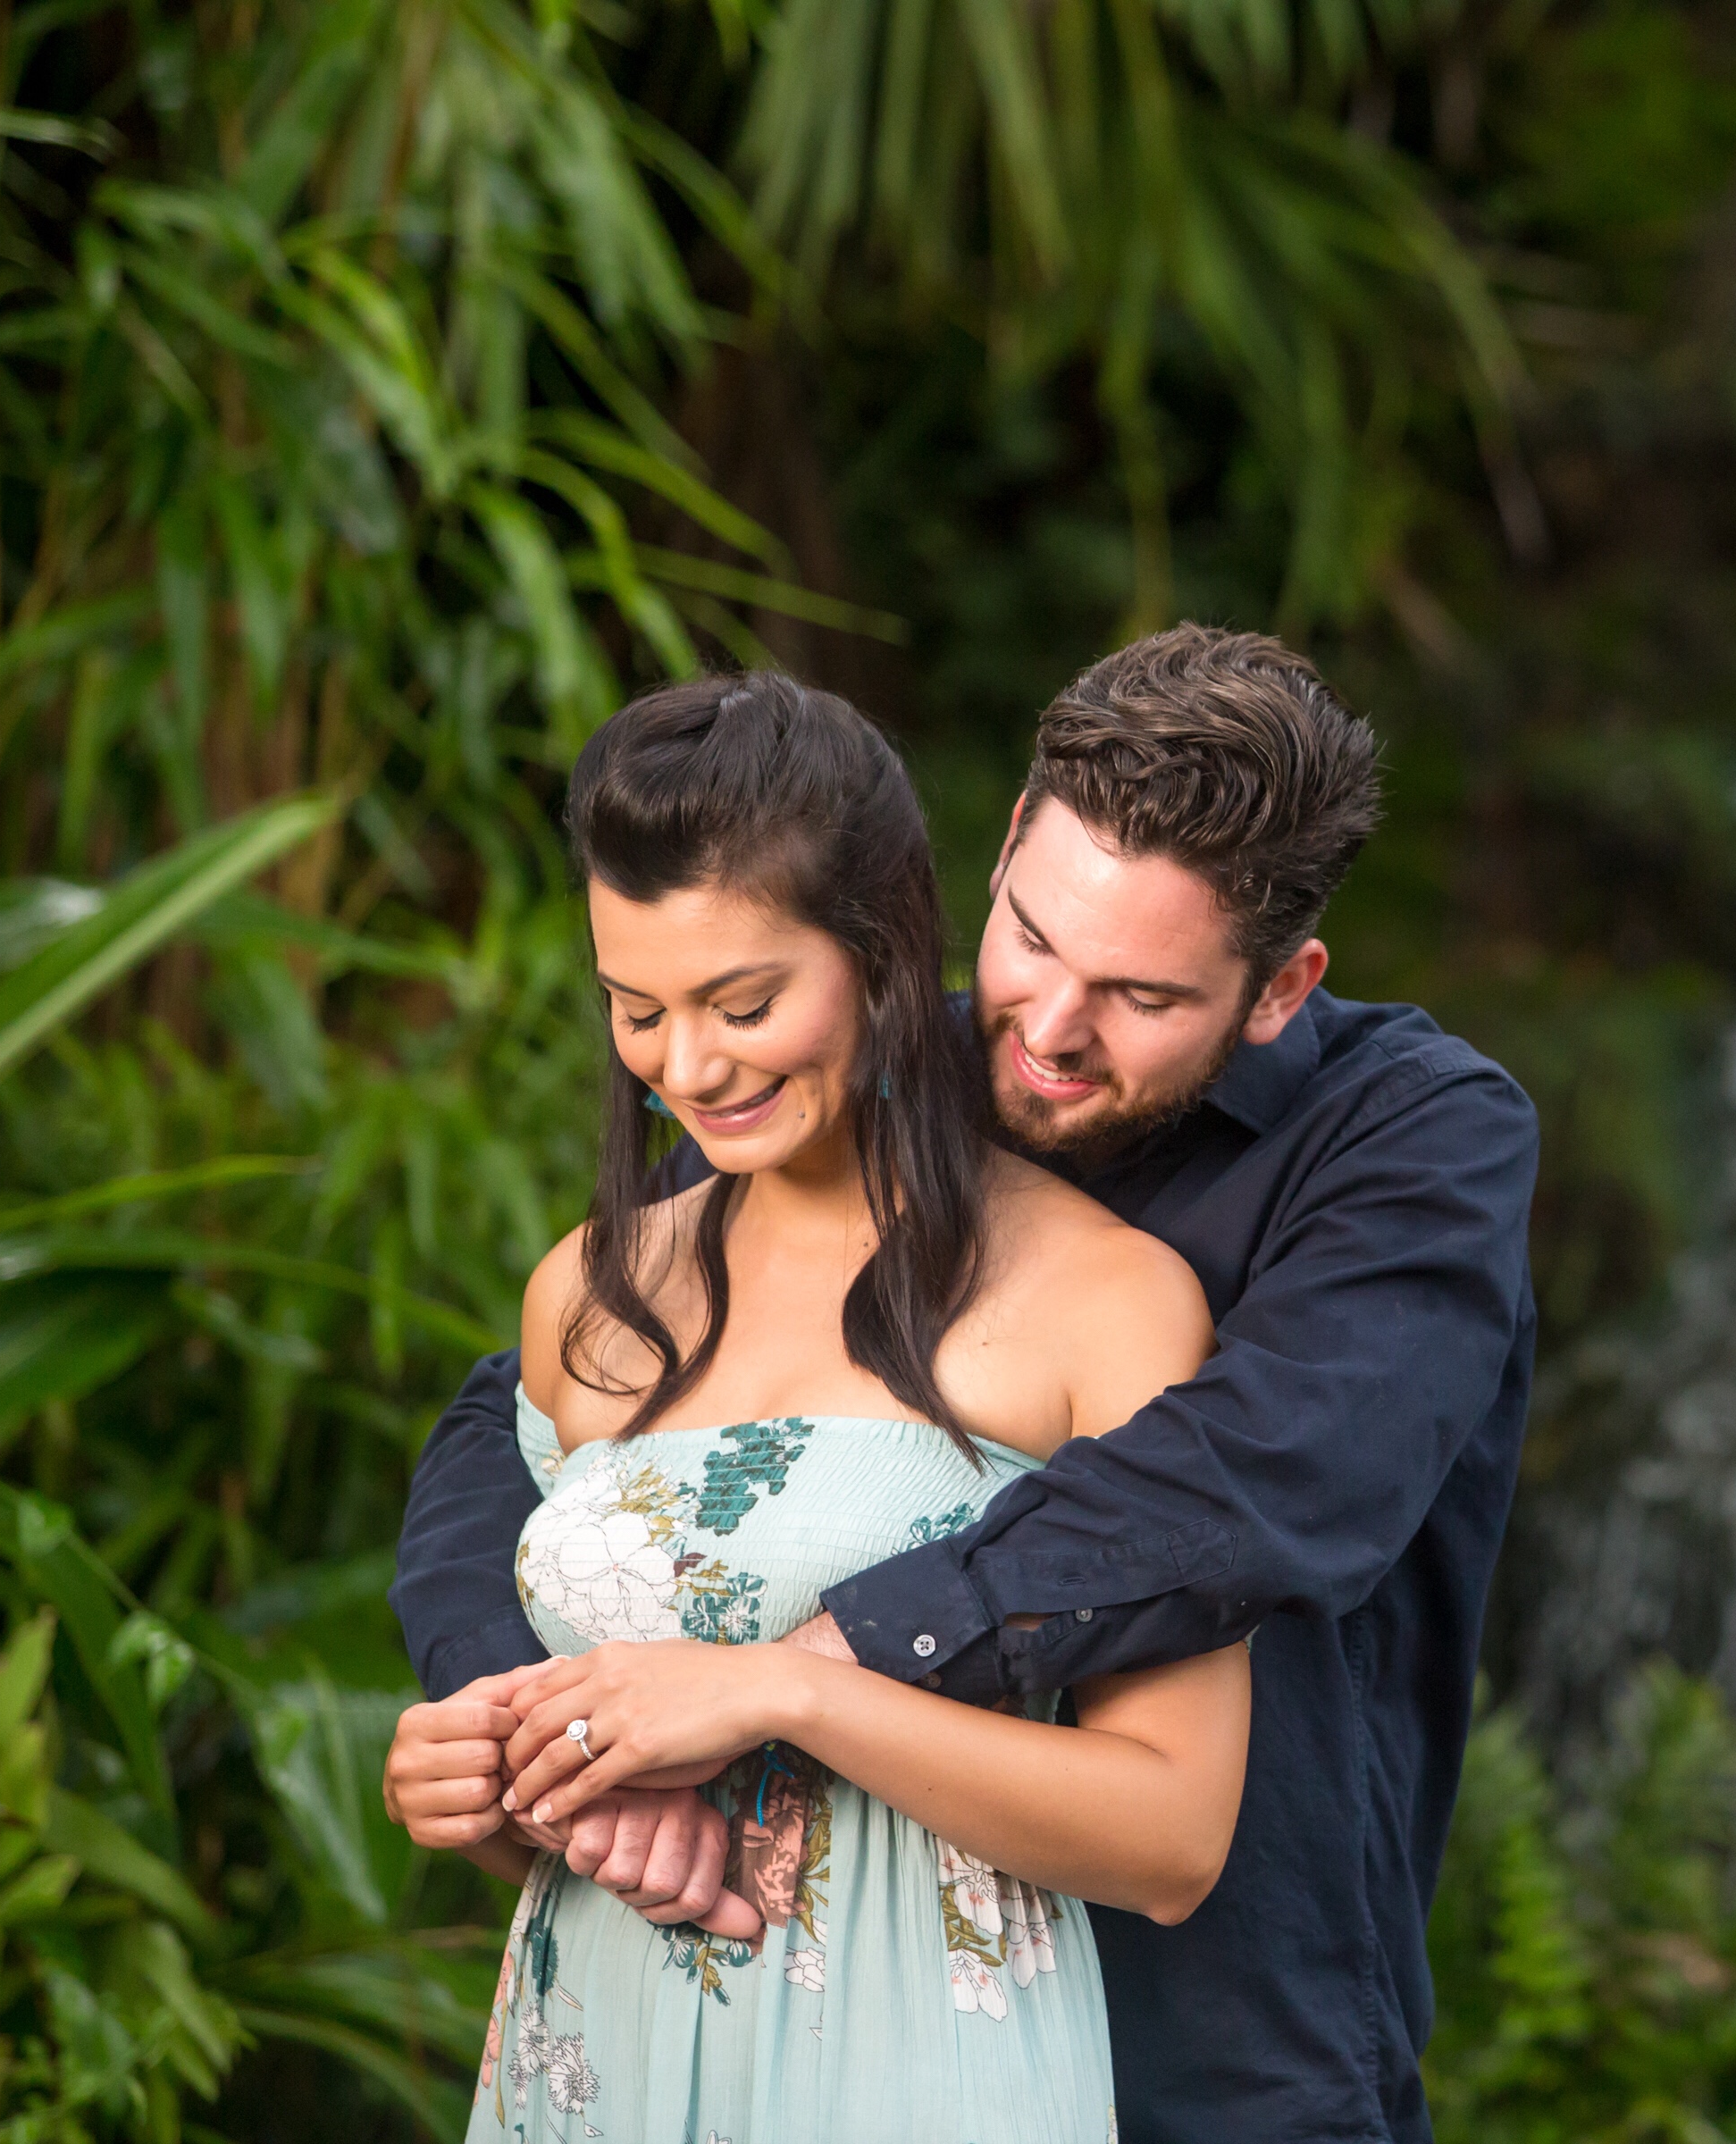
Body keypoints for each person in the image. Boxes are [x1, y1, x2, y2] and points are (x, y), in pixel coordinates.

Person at [388, 627, 1540, 2142]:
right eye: (1033, 941)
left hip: (1227, 2037)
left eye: (1138, 996)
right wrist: (517, 1717)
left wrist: (806, 1668)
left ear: (1279, 989)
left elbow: (1248, 1488)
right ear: (1001, 850)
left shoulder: (1409, 1145)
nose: (1050, 1030)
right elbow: (538, 1423)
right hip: (718, 2023)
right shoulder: (835, 1068)